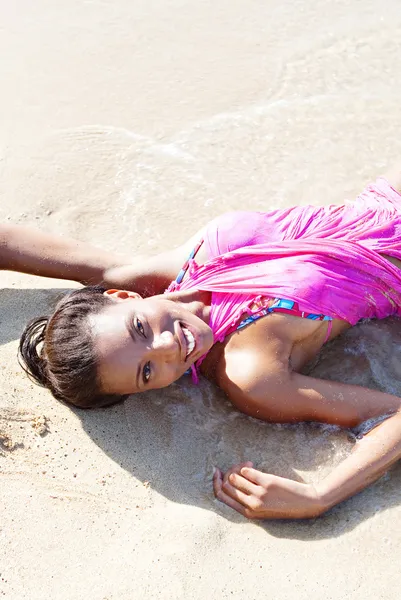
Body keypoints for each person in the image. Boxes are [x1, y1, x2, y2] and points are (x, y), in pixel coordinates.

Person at [17, 164, 401, 521]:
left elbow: (68, 260)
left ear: (123, 296)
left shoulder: (174, 272)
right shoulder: (251, 375)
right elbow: (393, 416)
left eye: (139, 328)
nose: (167, 346)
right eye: (147, 370)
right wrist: (320, 497)